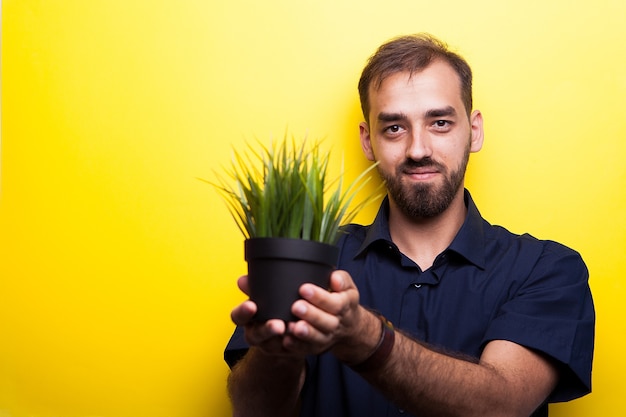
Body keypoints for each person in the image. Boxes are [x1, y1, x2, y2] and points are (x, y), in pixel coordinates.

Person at [224, 33, 595, 417]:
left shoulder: (545, 269)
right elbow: (253, 410)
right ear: (368, 141)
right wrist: (278, 351)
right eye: (394, 128)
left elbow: (502, 405)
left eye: (440, 122)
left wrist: (368, 339)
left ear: (475, 131)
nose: (418, 149)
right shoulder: (317, 259)